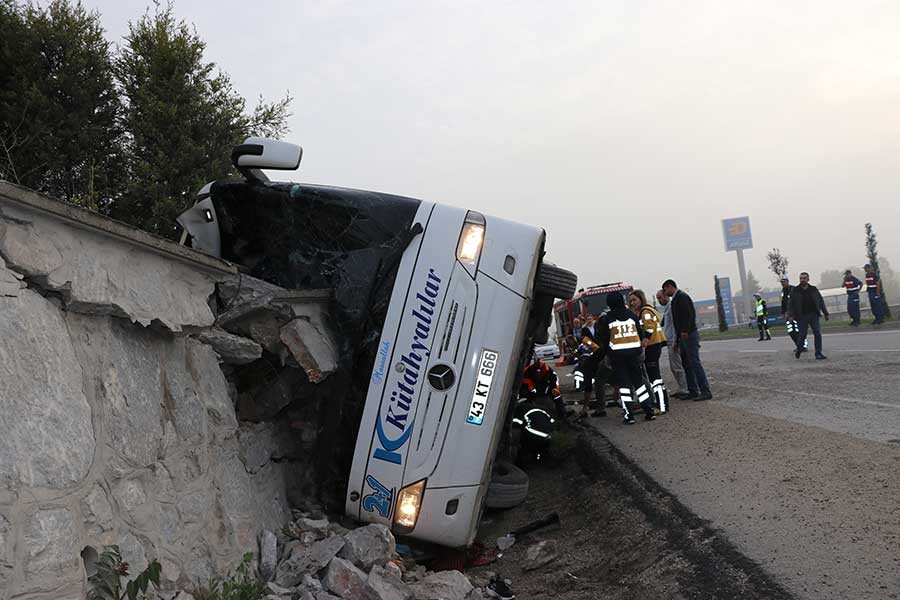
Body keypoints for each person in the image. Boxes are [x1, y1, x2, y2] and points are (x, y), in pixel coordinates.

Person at [597, 291, 655, 424]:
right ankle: (649, 411)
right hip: (634, 355)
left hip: (617, 357)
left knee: (624, 386)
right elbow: (640, 334)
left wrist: (607, 353)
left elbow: (603, 339)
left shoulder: (608, 318)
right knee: (639, 383)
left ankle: (629, 416)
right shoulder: (632, 315)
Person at [661, 279, 712, 401]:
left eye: (665, 289)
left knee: (694, 363)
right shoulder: (676, 299)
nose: (664, 292)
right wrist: (677, 340)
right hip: (682, 337)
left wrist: (685, 330)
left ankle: (705, 390)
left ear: (669, 286)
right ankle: (692, 390)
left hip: (689, 335)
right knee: (687, 364)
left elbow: (688, 315)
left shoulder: (682, 297)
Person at [629, 289, 670, 413]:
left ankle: (662, 406)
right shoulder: (644, 311)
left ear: (641, 299)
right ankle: (659, 403)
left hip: (652, 346)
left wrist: (645, 339)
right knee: (653, 377)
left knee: (655, 378)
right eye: (630, 301)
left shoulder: (645, 311)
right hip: (653, 345)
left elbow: (649, 326)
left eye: (634, 300)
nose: (632, 303)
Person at [788, 272, 829, 360]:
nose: (802, 280)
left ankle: (818, 353)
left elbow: (820, 301)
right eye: (801, 278)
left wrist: (825, 313)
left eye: (804, 278)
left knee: (817, 333)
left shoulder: (813, 289)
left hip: (814, 314)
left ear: (808, 279)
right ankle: (799, 348)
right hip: (801, 316)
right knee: (802, 335)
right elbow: (790, 304)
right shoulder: (795, 290)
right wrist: (790, 315)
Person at [656, 289, 689, 398]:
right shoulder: (666, 308)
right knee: (674, 367)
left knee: (677, 366)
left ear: (666, 296)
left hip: (673, 340)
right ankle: (681, 388)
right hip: (669, 340)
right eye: (658, 299)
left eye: (660, 297)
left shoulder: (671, 307)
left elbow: (675, 325)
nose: (659, 300)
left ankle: (685, 389)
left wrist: (676, 340)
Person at [780, 277, 807, 352]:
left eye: (784, 282)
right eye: (781, 283)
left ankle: (803, 346)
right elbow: (784, 303)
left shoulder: (794, 289)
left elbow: (796, 303)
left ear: (787, 281)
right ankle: (798, 345)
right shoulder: (783, 291)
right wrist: (784, 313)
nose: (782, 284)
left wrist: (793, 314)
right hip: (787, 314)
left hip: (795, 314)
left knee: (799, 331)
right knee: (791, 331)